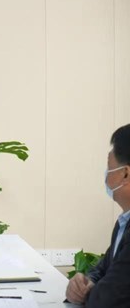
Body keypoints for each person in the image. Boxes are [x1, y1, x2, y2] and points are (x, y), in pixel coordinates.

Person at [65, 124, 130, 306]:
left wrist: (84, 294)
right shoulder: (124, 221)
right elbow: (104, 268)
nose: (106, 174)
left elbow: (107, 300)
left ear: (125, 174)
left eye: (109, 166)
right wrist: (85, 282)